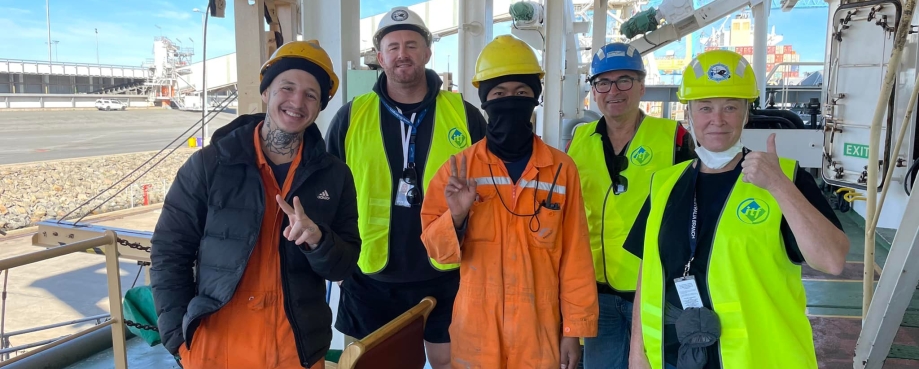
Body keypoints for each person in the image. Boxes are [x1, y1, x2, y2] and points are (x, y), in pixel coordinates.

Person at [624, 50, 849, 369]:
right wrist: (638, 353)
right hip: (674, 357)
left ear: (746, 114)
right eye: (705, 108)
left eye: (731, 107)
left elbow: (832, 259)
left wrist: (779, 186)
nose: (717, 120)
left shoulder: (783, 176)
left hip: (760, 359)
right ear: (688, 113)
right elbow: (649, 275)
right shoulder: (664, 184)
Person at [150, 40, 360, 369]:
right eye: (286, 88)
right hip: (217, 347)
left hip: (295, 349)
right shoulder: (209, 166)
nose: (297, 101)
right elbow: (169, 252)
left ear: (320, 106)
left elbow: (344, 266)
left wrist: (318, 241)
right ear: (266, 92)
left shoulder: (335, 177)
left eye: (311, 94)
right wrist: (178, 337)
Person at [420, 34, 599, 369]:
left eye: (521, 93)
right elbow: (437, 253)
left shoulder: (561, 170)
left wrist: (573, 331)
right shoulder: (459, 169)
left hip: (539, 331)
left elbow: (576, 256)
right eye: (499, 94)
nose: (510, 101)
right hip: (476, 332)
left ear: (536, 98)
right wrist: (456, 218)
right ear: (485, 101)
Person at [324, 6, 487, 368]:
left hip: (447, 271)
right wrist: (334, 258)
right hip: (369, 275)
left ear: (428, 53)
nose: (402, 54)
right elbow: (326, 190)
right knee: (373, 364)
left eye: (412, 45)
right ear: (380, 57)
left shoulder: (465, 114)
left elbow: (491, 190)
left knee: (453, 362)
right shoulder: (351, 116)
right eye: (393, 46)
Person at [566, 42, 696, 369]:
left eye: (624, 80)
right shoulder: (577, 143)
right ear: (593, 91)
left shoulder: (674, 138)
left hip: (655, 291)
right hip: (598, 294)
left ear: (641, 85)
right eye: (603, 83)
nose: (614, 91)